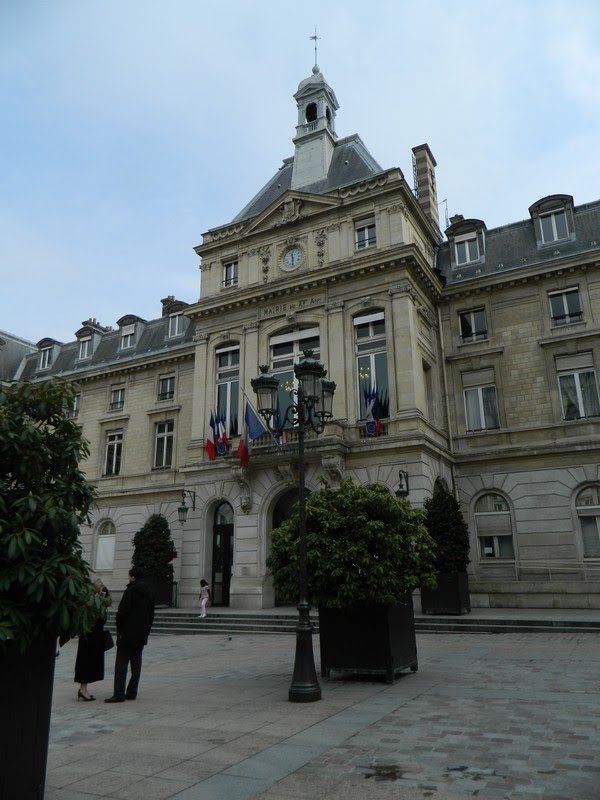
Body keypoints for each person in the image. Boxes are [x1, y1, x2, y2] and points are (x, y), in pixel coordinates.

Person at [105, 567, 155, 703]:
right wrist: (146, 631)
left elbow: (122, 612)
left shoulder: (131, 590)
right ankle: (132, 691)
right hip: (141, 633)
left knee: (121, 664)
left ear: (133, 577)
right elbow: (151, 614)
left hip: (127, 633)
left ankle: (119, 694)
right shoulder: (149, 592)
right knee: (136, 664)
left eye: (130, 576)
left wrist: (120, 628)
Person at [74, 579, 111, 701]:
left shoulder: (94, 600)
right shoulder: (92, 602)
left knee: (88, 662)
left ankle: (83, 689)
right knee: (86, 662)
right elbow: (99, 615)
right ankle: (83, 689)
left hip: (92, 636)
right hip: (90, 637)